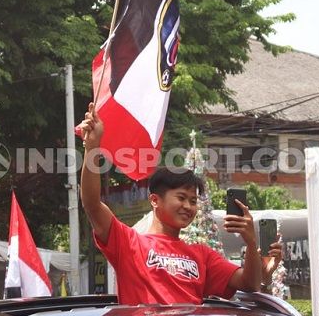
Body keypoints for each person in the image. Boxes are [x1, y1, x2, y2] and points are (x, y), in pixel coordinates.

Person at [77, 104, 264, 305]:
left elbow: (250, 283)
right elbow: (92, 204)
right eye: (181, 197)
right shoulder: (128, 243)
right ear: (155, 200)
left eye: (193, 201)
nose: (188, 206)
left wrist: (251, 243)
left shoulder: (202, 254)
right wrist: (92, 148)